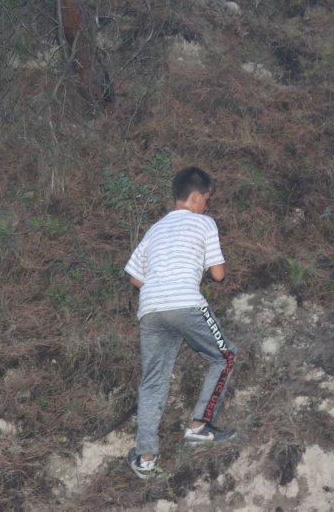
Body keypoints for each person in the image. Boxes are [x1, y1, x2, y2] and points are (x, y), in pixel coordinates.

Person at [124, 166, 238, 480]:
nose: (207, 206)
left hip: (150, 310)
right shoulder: (203, 222)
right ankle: (199, 425)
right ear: (196, 197)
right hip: (185, 303)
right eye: (207, 200)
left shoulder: (154, 229)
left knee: (153, 382)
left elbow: (135, 277)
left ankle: (146, 458)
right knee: (225, 356)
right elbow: (219, 274)